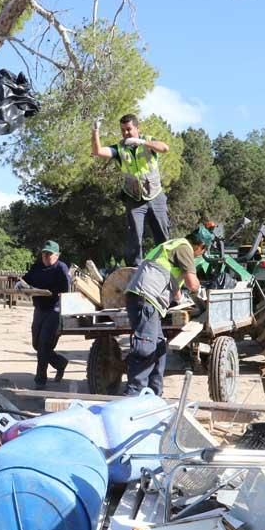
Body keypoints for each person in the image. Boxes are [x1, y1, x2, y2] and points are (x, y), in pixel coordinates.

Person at [123, 225, 214, 396]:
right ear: (200, 246)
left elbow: (172, 281)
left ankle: (154, 394)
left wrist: (180, 298)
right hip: (146, 299)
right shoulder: (185, 248)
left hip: (146, 299)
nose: (200, 254)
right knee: (146, 348)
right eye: (203, 251)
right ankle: (133, 395)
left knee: (158, 348)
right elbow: (192, 284)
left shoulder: (172, 247)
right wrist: (200, 292)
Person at [91, 113, 171, 266]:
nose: (126, 133)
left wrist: (142, 142)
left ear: (137, 128)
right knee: (134, 235)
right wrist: (95, 131)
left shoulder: (148, 141)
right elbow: (97, 151)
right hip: (133, 198)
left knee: (162, 233)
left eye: (128, 129)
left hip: (155, 195)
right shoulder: (120, 148)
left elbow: (165, 148)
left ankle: (166, 265)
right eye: (123, 130)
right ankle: (135, 269)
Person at [15, 240, 70, 389]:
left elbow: (66, 289)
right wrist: (19, 284)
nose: (45, 257)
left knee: (44, 344)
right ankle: (60, 363)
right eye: (44, 254)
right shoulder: (37, 266)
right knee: (36, 345)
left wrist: (49, 291)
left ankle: (40, 381)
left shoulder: (61, 268)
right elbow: (26, 279)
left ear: (57, 255)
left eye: (49, 254)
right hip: (39, 308)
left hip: (54, 309)